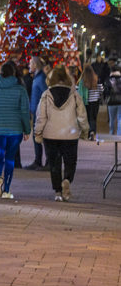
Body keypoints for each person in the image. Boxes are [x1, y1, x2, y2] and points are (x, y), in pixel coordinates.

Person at [35, 64, 87, 202]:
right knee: (70, 161)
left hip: (50, 134)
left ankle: (58, 192)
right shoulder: (74, 95)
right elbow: (82, 116)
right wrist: (85, 130)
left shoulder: (46, 95)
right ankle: (67, 180)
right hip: (70, 134)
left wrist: (38, 132)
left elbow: (41, 117)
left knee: (54, 163)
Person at [0, 61, 33, 200]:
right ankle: (7, 190)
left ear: (0, 73)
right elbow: (24, 111)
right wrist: (27, 130)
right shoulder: (20, 90)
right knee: (10, 158)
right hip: (15, 130)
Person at [26, 56, 48, 169]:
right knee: (37, 137)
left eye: (30, 63)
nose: (29, 66)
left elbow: (46, 93)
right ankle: (38, 160)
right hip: (37, 111)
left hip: (40, 113)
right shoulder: (38, 77)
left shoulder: (40, 78)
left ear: (35, 65)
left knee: (41, 137)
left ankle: (44, 161)